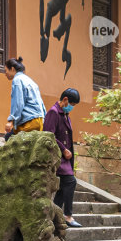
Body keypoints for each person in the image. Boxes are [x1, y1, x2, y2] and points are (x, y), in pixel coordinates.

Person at [44, 88, 81, 228]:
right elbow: (48, 134)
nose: (72, 107)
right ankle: (67, 215)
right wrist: (63, 149)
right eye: (71, 103)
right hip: (58, 156)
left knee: (61, 188)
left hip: (65, 158)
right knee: (70, 182)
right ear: (65, 99)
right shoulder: (54, 112)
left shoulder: (65, 114)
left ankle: (54, 215)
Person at [3, 56, 45, 138]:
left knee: (8, 138)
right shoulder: (31, 81)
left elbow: (18, 103)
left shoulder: (17, 80)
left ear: (12, 69)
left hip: (29, 121)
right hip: (39, 120)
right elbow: (41, 103)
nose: (5, 74)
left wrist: (11, 121)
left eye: (6, 71)